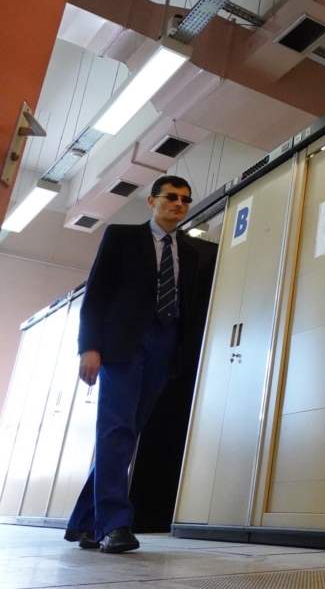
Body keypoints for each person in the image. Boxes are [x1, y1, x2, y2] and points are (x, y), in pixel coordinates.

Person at [64, 176, 200, 553]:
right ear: (152, 201)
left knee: (127, 433)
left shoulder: (189, 251)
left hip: (166, 343)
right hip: (123, 344)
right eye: (171, 197)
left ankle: (85, 523)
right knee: (117, 428)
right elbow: (97, 294)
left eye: (185, 199)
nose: (179, 204)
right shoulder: (122, 237)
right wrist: (89, 347)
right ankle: (115, 523)